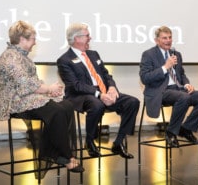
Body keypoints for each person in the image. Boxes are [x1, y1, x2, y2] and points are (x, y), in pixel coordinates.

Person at [0, 20, 84, 172]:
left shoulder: (21, 56)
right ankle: (65, 156)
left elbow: (32, 83)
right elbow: (25, 84)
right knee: (56, 110)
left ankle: (51, 153)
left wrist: (51, 91)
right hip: (14, 101)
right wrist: (49, 88)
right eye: (33, 39)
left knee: (67, 105)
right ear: (22, 39)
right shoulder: (11, 57)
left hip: (26, 97)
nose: (35, 43)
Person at [57, 23, 140, 159]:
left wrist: (112, 87)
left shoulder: (93, 54)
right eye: (87, 35)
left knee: (132, 102)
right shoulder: (64, 60)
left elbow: (106, 75)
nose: (90, 38)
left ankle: (118, 143)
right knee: (97, 104)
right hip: (81, 95)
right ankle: (89, 141)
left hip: (103, 91)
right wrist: (99, 94)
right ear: (77, 38)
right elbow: (75, 85)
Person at [139, 25, 198, 148]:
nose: (168, 40)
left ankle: (186, 128)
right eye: (164, 38)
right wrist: (165, 67)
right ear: (156, 40)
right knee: (183, 97)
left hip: (179, 89)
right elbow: (145, 78)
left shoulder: (176, 54)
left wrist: (186, 84)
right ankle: (171, 132)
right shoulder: (148, 54)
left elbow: (181, 73)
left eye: (170, 37)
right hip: (161, 91)